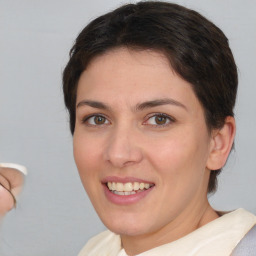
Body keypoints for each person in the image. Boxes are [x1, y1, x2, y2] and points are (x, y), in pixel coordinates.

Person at [62, 1, 256, 255]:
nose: (119, 154)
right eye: (98, 119)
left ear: (217, 143)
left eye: (159, 119)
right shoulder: (97, 249)